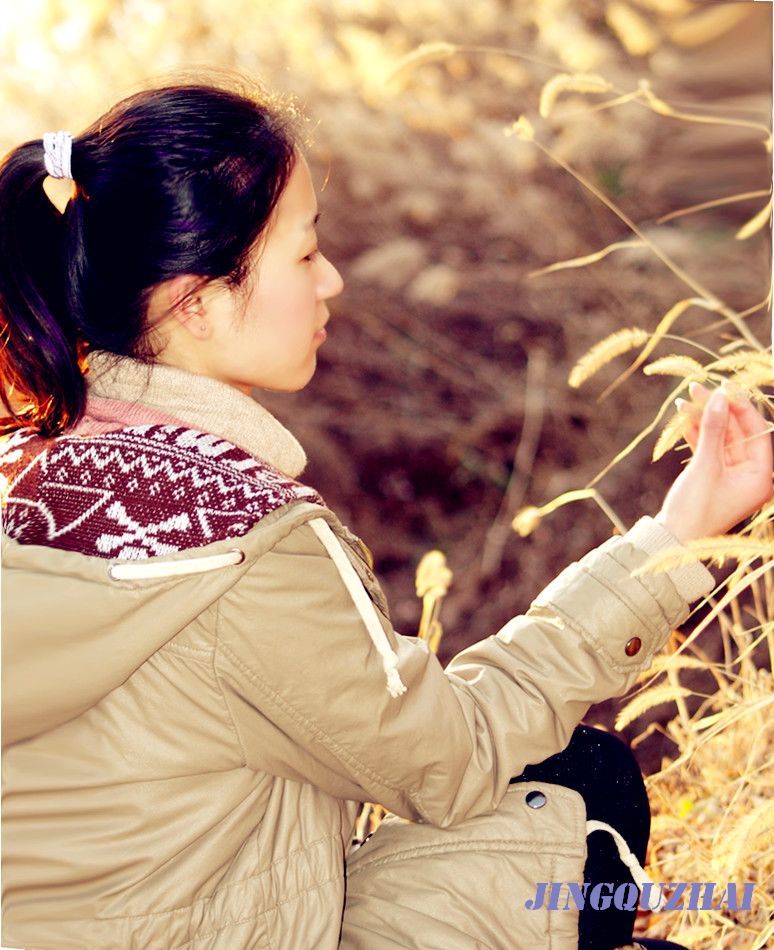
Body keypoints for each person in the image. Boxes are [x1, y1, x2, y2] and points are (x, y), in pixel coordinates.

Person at [0, 80, 770, 950]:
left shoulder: (27, 472)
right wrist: (674, 540)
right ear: (200, 303)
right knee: (582, 785)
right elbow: (453, 758)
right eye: (303, 252)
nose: (331, 278)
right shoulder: (238, 542)